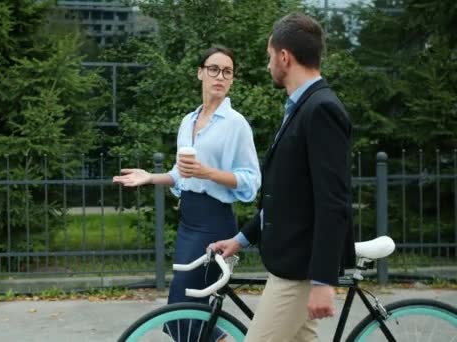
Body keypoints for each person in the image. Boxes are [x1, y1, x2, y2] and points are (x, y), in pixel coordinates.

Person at [209, 13, 356, 342]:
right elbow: (287, 197)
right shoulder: (302, 107)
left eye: (269, 56)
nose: (268, 65)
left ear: (284, 57)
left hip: (299, 271)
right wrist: (242, 239)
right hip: (292, 264)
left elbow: (333, 202)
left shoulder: (321, 109)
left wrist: (322, 282)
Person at [113, 45, 261, 340]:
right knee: (183, 316)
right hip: (188, 224)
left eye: (227, 72)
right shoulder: (187, 121)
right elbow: (182, 176)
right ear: (200, 73)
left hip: (213, 224)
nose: (220, 76)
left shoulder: (236, 124)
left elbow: (251, 181)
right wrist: (150, 177)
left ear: (232, 79)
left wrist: (208, 172)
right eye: (213, 69)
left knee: (184, 313)